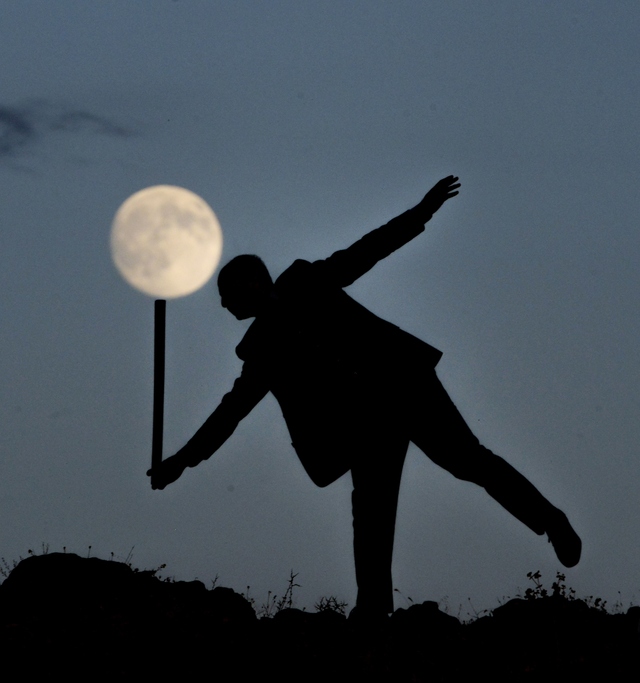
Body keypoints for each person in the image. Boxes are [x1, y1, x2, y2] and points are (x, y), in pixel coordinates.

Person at [147, 176, 581, 619]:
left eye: (226, 293)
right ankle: (373, 609)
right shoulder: (261, 351)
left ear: (251, 283)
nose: (222, 305)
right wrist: (182, 460)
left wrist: (420, 213)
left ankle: (551, 521)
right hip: (366, 426)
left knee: (468, 460)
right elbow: (230, 412)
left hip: (406, 384)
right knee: (371, 512)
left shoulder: (305, 281)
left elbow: (364, 252)